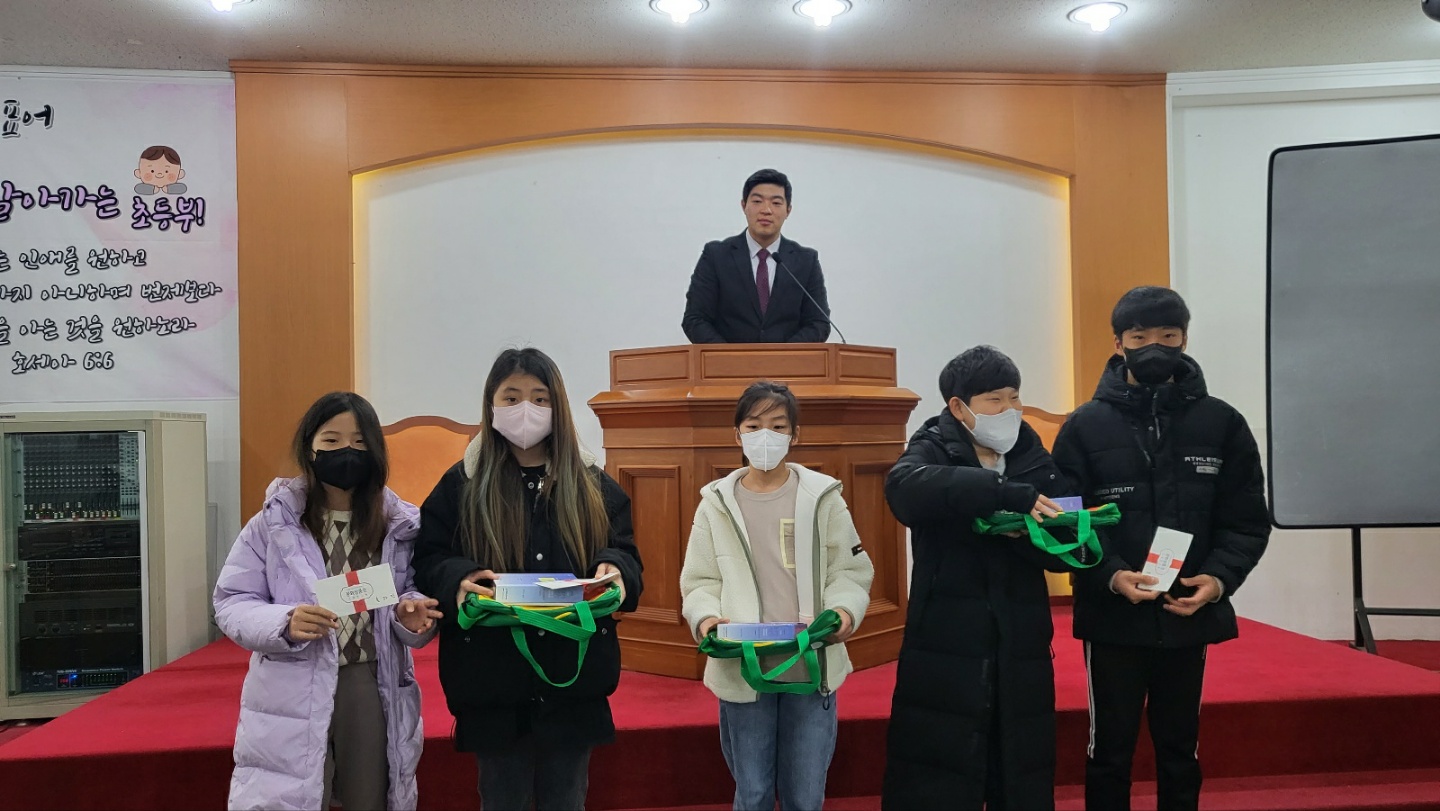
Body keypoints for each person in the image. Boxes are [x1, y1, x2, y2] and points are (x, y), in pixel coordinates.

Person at [1050, 286, 1270, 811]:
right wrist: (1110, 574)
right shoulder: (1084, 426)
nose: (1154, 346)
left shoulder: (1222, 423)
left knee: (1180, 750)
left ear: (1185, 339)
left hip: (1186, 610)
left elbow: (1245, 520)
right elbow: (1064, 519)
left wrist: (1217, 579)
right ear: (1118, 343)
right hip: (1112, 617)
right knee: (1109, 750)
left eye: (1168, 336)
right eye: (1139, 336)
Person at [412, 347, 643, 811]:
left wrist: (615, 568)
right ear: (491, 405)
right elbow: (429, 558)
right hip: (492, 683)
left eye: (540, 398)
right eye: (512, 397)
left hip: (572, 684)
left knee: (567, 798)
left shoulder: (593, 485)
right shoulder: (461, 484)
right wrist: (458, 578)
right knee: (502, 797)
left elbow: (626, 553)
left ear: (558, 406)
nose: (526, 410)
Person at [214, 391, 443, 811]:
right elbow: (232, 599)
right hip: (292, 682)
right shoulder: (273, 524)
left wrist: (408, 613)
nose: (346, 451)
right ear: (310, 447)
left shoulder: (400, 525)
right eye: (332, 441)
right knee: (293, 798)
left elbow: (411, 590)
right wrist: (284, 621)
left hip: (370, 681)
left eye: (359, 442)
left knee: (370, 797)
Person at [881, 346, 1076, 811]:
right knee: (940, 766)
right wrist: (1000, 493)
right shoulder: (933, 444)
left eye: (1014, 397)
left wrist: (1033, 534)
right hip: (946, 637)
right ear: (958, 407)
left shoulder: (1030, 452)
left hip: (1021, 636)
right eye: (994, 400)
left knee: (1018, 764)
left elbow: (1066, 545)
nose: (1009, 409)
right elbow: (904, 490)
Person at [681, 380, 874, 811]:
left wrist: (844, 610)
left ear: (795, 435)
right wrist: (706, 618)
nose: (765, 436)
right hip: (745, 665)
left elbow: (849, 569)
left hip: (809, 662)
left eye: (778, 426)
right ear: (737, 436)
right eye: (753, 426)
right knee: (752, 793)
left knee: (805, 794)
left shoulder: (822, 497)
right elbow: (699, 579)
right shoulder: (715, 503)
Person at [682, 168, 832, 344]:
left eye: (776, 203)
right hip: (728, 361)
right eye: (757, 201)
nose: (766, 210)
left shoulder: (806, 261)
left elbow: (818, 323)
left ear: (788, 210)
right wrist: (729, 356)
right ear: (743, 205)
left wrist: (783, 355)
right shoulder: (716, 256)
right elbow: (695, 319)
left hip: (787, 361)